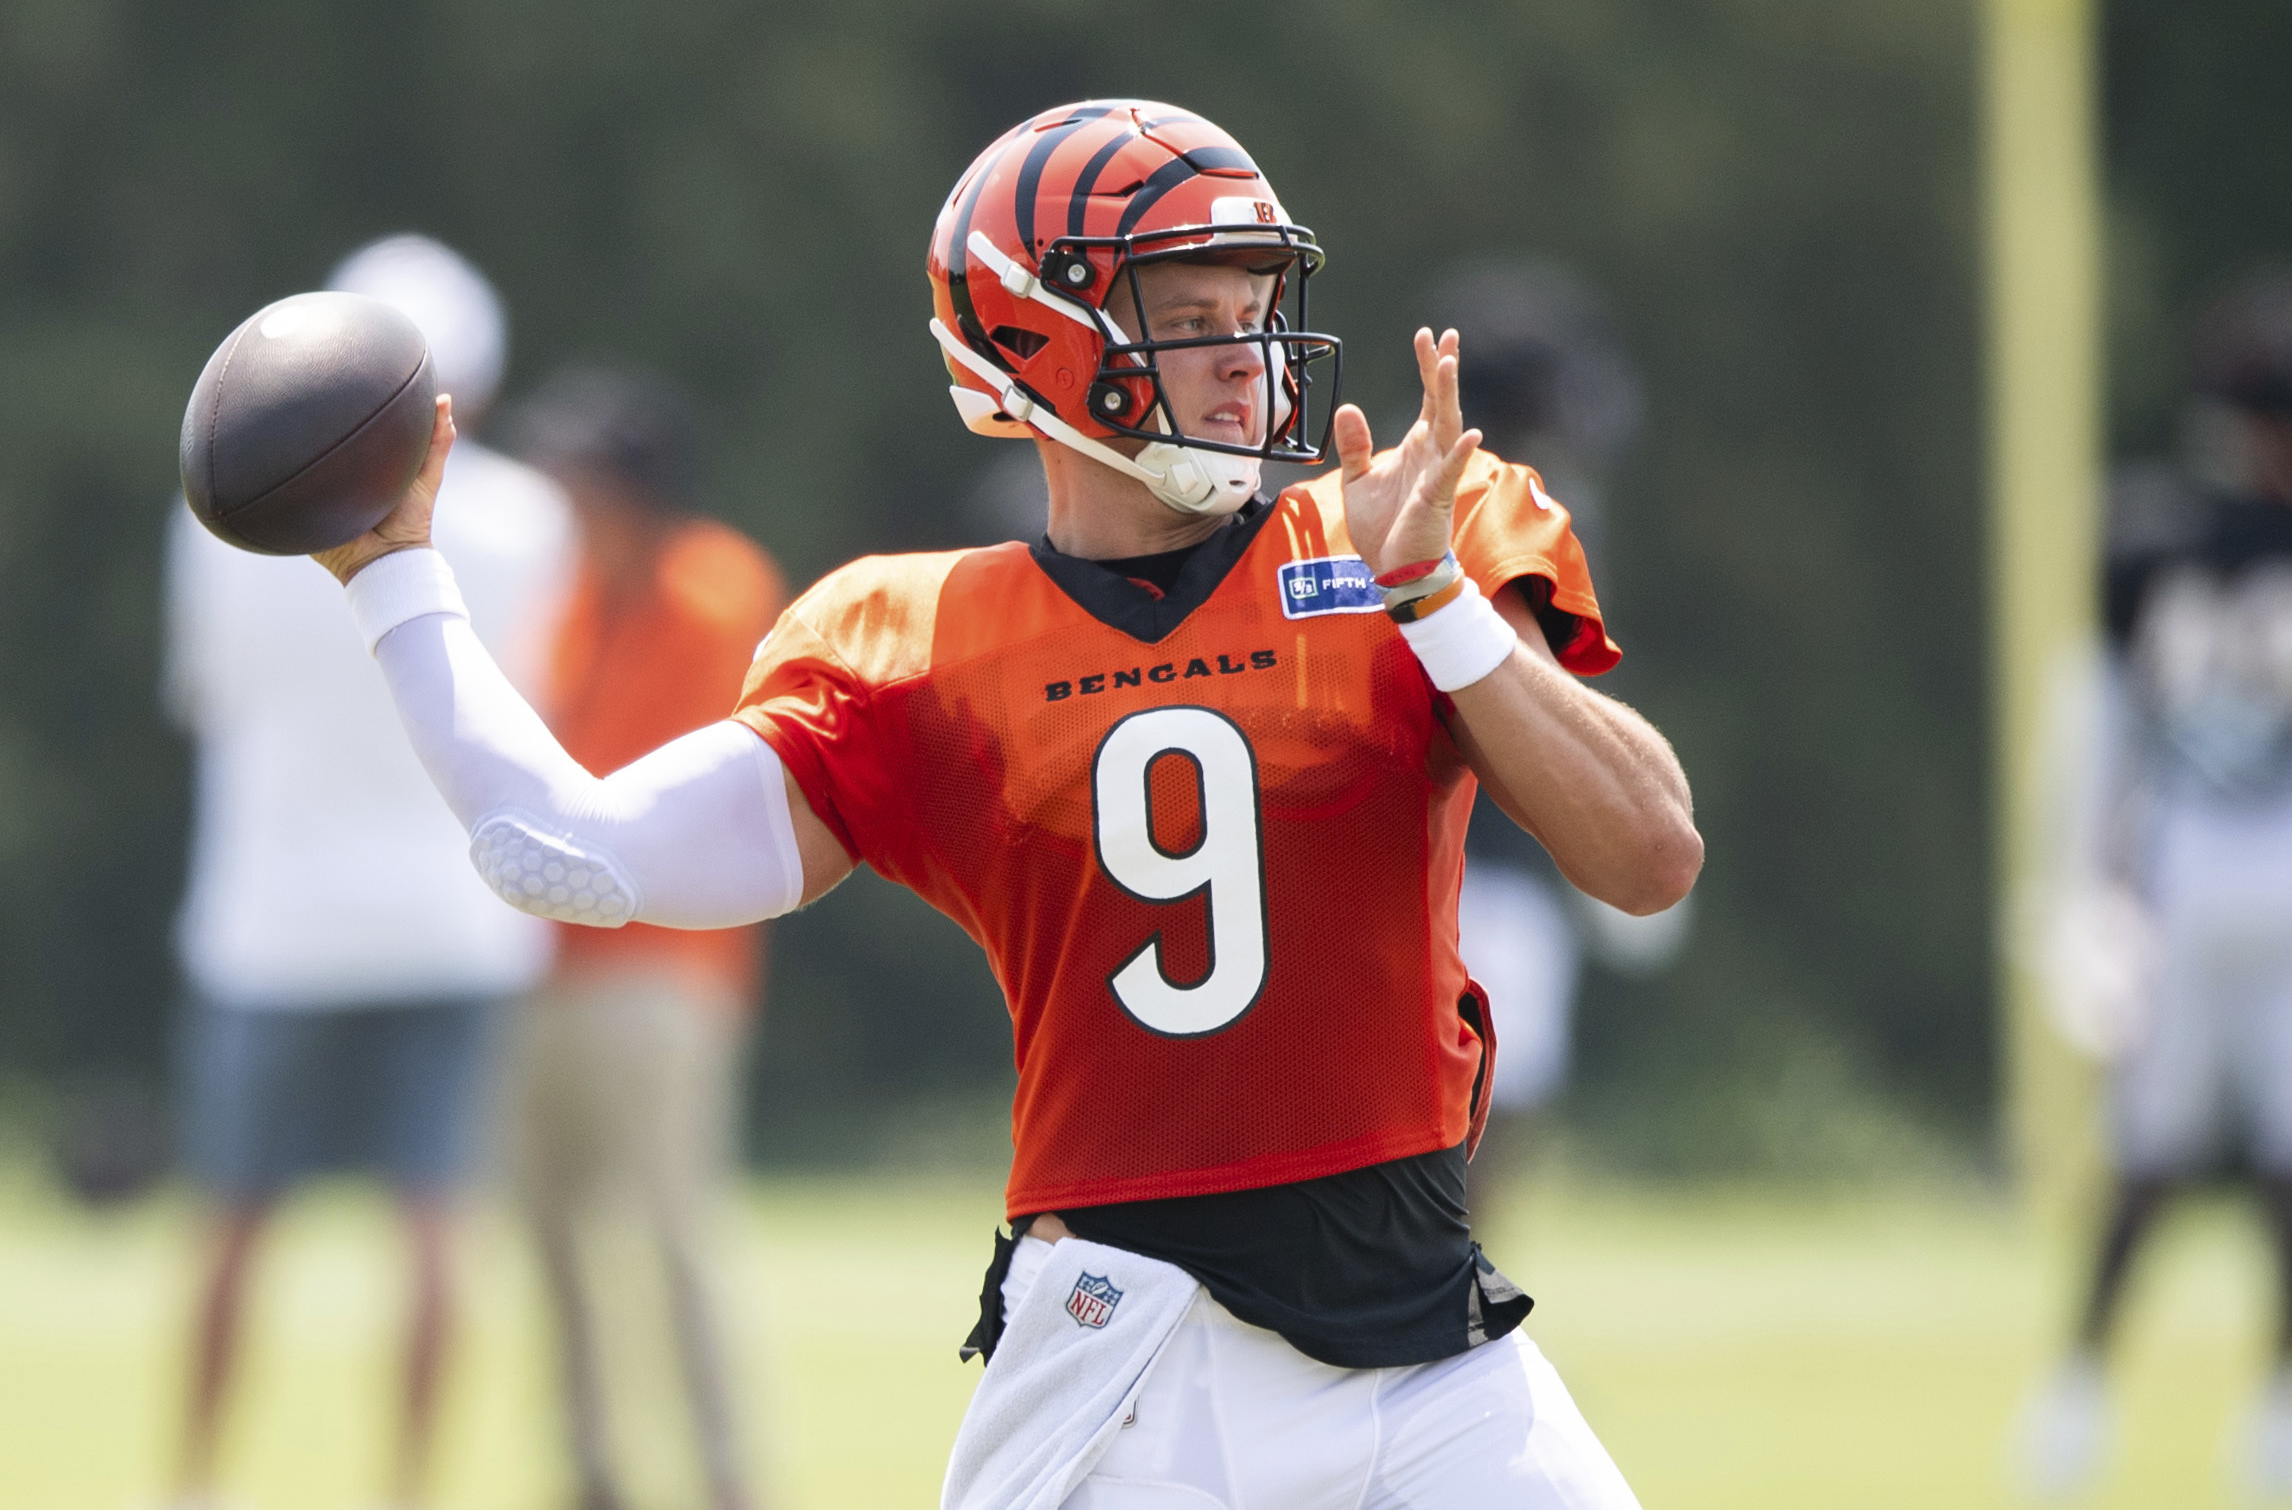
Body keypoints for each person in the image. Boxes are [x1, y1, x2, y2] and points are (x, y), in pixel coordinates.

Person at [304, 101, 1700, 1505]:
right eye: (1190, 308)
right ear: (1041, 337)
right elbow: (570, 853)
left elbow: (1649, 857)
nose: (1244, 352)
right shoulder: (915, 640)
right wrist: (395, 579)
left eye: (1253, 303)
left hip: (1432, 1351)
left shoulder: (1403, 531)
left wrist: (1436, 602)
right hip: (1134, 1366)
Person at [163, 234, 573, 1510]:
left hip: (267, 917)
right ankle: (409, 1490)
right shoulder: (527, 519)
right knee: (437, 1221)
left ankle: (192, 1483)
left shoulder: (225, 522)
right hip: (459, 911)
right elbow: (529, 711)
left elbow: (204, 693)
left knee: (231, 1217)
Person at [2020, 270, 2292, 1498]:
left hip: (2201, 867)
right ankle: (2078, 1394)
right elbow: (2100, 730)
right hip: (2192, 872)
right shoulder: (2155, 536)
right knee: (2151, 1156)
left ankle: (2138, 1402)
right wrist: (2076, 890)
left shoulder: (2149, 529)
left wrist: (2069, 887)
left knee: (2190, 1161)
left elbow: (2090, 736)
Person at [500, 367, 785, 1510]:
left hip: (667, 964)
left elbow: (621, 772)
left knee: (675, 1232)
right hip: (543, 965)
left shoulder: (715, 589)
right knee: (549, 1234)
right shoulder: (554, 594)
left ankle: (725, 1477)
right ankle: (591, 1473)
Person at [1427, 262, 1693, 1219]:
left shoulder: (1528, 502)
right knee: (1478, 1117)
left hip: (1500, 860)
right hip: (1465, 856)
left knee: (1491, 1112)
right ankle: (1435, 1288)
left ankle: (1442, 1285)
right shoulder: (1475, 505)